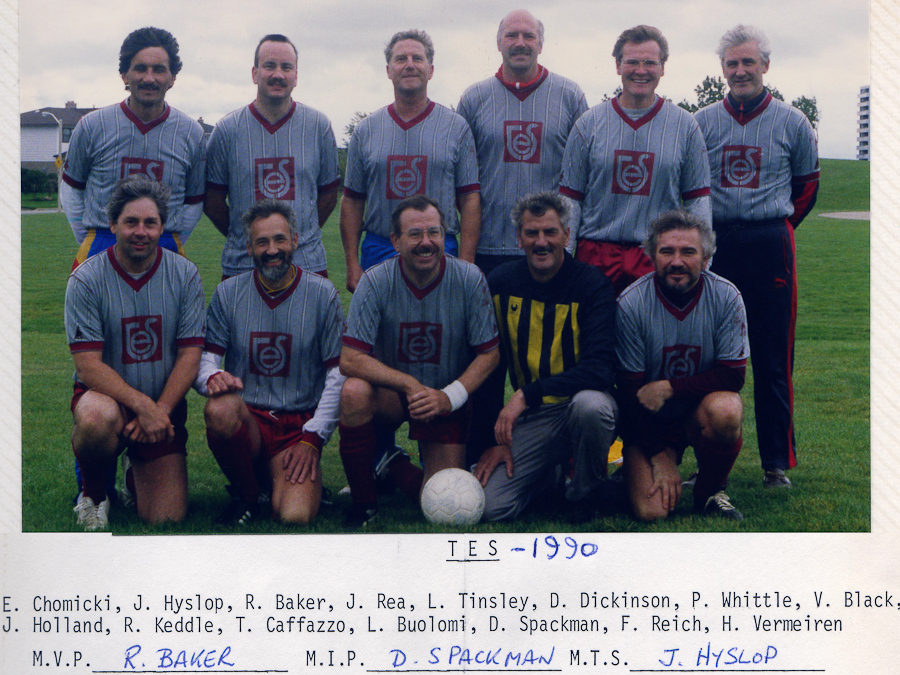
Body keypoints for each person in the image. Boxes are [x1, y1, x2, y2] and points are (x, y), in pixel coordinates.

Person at [694, 26, 819, 488]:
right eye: (732, 63)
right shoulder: (702, 122)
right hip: (716, 243)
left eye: (749, 62)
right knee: (706, 354)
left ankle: (776, 463)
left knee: (772, 357)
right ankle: (704, 456)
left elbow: (806, 187)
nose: (740, 71)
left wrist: (775, 228)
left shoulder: (793, 122)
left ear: (765, 65)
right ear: (722, 69)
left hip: (769, 244)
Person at [338, 195, 499, 527]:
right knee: (354, 392)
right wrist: (408, 384)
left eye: (434, 232)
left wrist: (449, 396)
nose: (426, 242)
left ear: (444, 236)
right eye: (415, 234)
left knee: (440, 497)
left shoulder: (469, 278)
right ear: (395, 241)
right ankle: (364, 504)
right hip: (394, 394)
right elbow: (350, 359)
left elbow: (489, 354)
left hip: (444, 395)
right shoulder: (375, 280)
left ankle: (392, 465)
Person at [64, 176, 205, 530]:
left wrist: (161, 410)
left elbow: (190, 355)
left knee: (166, 517)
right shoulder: (85, 278)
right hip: (110, 402)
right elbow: (88, 366)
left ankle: (133, 474)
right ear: (113, 225)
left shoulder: (185, 274)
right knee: (95, 418)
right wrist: (144, 407)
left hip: (162, 404)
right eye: (131, 222)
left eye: (150, 223)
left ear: (162, 227)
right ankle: (94, 494)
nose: (141, 231)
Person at [195, 200, 344, 526]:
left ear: (295, 241)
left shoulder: (324, 295)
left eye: (279, 239)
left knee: (294, 516)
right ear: (249, 247)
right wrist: (212, 378)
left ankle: (272, 483)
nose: (272, 250)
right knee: (219, 409)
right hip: (249, 418)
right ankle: (247, 496)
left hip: (296, 426)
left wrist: (313, 437)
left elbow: (338, 374)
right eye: (262, 242)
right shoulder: (228, 293)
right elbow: (207, 358)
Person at [472, 192, 618, 521]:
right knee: (491, 507)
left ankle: (585, 494)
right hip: (535, 416)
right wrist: (494, 440)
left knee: (591, 407)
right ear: (518, 238)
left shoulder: (591, 284)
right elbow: (489, 367)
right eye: (532, 233)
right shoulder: (501, 282)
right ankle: (546, 478)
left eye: (550, 232)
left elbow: (601, 369)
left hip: (581, 406)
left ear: (567, 235)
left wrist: (526, 393)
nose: (541, 242)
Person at [616, 210, 748, 521]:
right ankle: (631, 475)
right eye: (667, 252)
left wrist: (670, 387)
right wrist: (659, 455)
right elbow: (631, 392)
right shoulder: (631, 303)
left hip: (696, 413)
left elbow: (734, 375)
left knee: (727, 410)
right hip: (649, 421)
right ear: (651, 256)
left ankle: (709, 491)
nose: (677, 261)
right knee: (652, 512)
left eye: (688, 252)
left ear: (706, 258)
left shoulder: (727, 296)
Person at [560, 25, 711, 295]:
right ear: (618, 65)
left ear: (662, 68)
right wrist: (565, 259)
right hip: (596, 253)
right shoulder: (588, 124)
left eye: (650, 63)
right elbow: (571, 200)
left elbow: (697, 201)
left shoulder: (685, 126)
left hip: (658, 256)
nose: (641, 71)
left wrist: (704, 261)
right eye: (632, 62)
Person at [340, 29, 480, 293]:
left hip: (438, 249)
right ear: (388, 70)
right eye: (401, 59)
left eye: (417, 58)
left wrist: (466, 262)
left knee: (439, 319)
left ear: (431, 70)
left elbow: (470, 199)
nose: (409, 65)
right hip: (381, 247)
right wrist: (351, 263)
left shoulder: (456, 127)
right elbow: (352, 200)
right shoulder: (366, 129)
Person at [457, 9, 587, 277]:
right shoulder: (474, 99)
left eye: (528, 36)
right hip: (489, 245)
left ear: (541, 44)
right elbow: (462, 182)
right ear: (498, 43)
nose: (520, 43)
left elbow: (582, 178)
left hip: (548, 246)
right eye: (511, 35)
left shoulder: (570, 96)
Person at [61, 26, 205, 267]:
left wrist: (167, 238)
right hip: (101, 242)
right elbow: (71, 189)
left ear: (172, 77)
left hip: (164, 245)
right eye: (140, 68)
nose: (149, 78)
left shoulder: (192, 133)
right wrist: (88, 237)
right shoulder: (91, 125)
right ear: (124, 75)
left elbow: (194, 202)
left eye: (159, 69)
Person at [205, 34, 340, 278]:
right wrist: (249, 238)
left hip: (306, 264)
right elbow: (213, 201)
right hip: (243, 265)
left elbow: (329, 195)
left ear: (296, 76)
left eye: (286, 67)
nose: (278, 74)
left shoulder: (318, 126)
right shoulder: (227, 130)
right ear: (255, 73)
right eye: (269, 66)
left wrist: (297, 238)